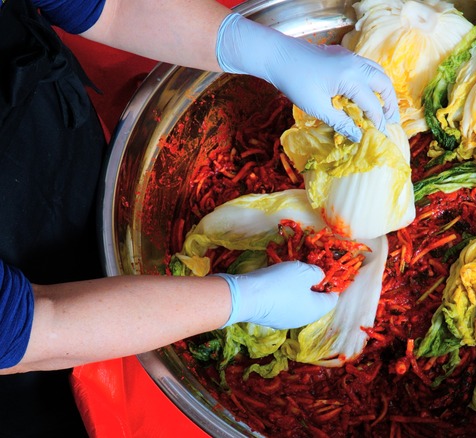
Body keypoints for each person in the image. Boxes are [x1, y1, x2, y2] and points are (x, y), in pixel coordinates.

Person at [0, 0, 399, 435]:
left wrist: (268, 52)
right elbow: (37, 330)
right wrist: (242, 299)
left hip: (40, 126)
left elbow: (104, 7)